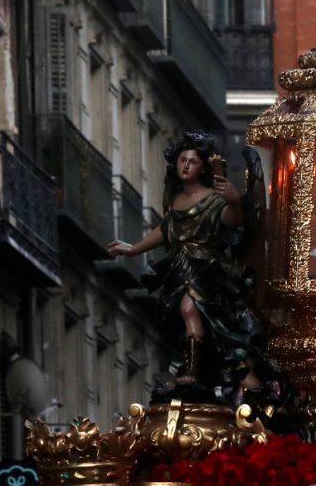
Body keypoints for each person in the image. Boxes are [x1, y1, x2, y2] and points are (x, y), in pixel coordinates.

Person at [107, 133, 287, 409]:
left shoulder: (214, 199)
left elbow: (232, 222)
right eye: (182, 160)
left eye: (193, 161)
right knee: (183, 319)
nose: (186, 165)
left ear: (204, 167)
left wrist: (235, 202)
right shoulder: (177, 200)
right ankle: (193, 370)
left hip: (205, 269)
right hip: (178, 269)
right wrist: (133, 249)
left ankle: (193, 372)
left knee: (192, 310)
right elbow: (165, 230)